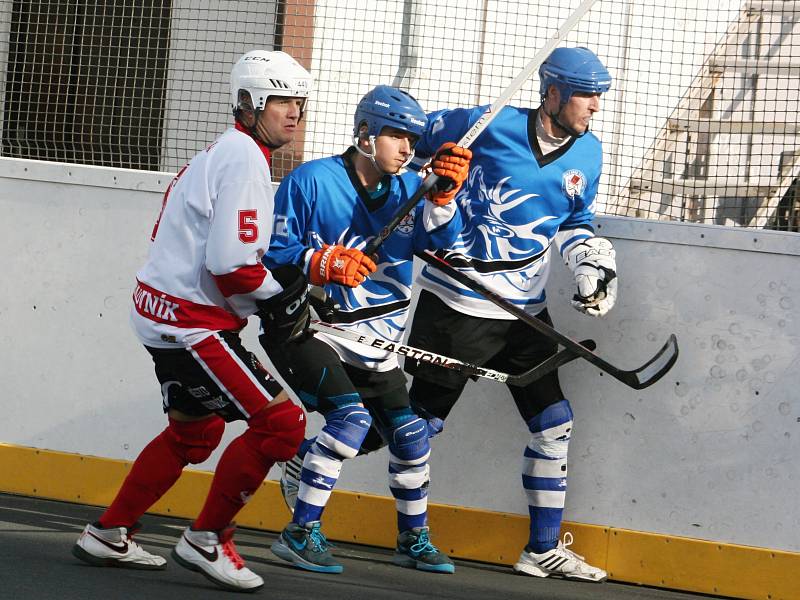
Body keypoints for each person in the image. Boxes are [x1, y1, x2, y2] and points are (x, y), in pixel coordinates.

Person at [71, 50, 313, 592]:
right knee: (282, 426)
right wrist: (279, 299)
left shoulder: (225, 152)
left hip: (158, 310)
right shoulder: (247, 160)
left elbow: (225, 254)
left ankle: (108, 533)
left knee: (195, 431)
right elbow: (231, 265)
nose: (293, 113)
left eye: (299, 101)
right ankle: (207, 538)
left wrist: (275, 292)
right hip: (191, 323)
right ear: (249, 104)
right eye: (280, 101)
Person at [402, 47, 617, 583]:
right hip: (460, 305)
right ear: (554, 93)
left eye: (598, 96)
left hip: (526, 310)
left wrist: (590, 262)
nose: (596, 106)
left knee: (554, 424)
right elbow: (403, 146)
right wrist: (428, 189)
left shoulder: (588, 153)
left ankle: (542, 549)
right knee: (416, 423)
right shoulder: (484, 125)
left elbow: (575, 220)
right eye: (587, 95)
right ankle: (315, 458)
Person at [259, 84, 472, 574]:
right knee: (351, 422)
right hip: (316, 330)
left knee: (412, 437)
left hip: (379, 341)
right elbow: (274, 257)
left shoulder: (410, 189)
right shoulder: (311, 181)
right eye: (396, 136)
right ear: (364, 133)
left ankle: (413, 538)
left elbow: (444, 245)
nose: (406, 148)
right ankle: (299, 532)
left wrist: (443, 197)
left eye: (412, 140)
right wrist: (323, 262)